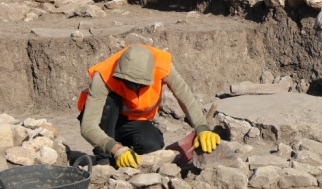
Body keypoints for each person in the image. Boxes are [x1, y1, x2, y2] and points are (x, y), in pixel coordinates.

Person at [77, 45, 220, 168]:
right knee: (109, 104)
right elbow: (88, 126)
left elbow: (185, 96)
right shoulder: (104, 75)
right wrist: (116, 149)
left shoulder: (161, 66)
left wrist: (202, 128)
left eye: (139, 84)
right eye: (128, 82)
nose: (133, 88)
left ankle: (127, 155)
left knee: (152, 145)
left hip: (132, 122)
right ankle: (104, 160)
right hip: (104, 122)